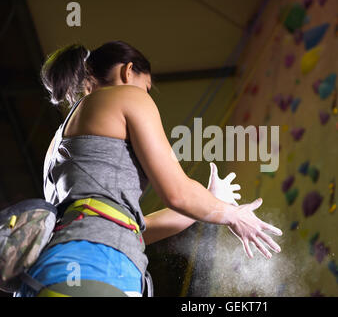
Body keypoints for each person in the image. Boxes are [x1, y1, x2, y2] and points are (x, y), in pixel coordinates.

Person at [17, 41, 282, 297]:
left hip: (42, 276)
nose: (144, 95)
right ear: (127, 71)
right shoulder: (127, 96)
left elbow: (133, 229)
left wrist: (212, 201)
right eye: (145, 87)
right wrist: (233, 215)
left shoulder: (58, 142)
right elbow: (177, 193)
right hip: (97, 268)